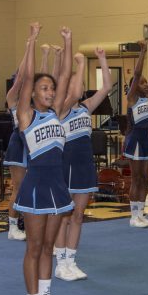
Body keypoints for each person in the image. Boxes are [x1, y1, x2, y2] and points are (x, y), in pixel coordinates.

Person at [14, 22, 74, 295]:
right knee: (34, 248)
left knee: (49, 248)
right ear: (34, 94)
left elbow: (66, 77)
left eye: (51, 89)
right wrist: (33, 41)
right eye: (44, 88)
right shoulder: (27, 115)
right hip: (36, 186)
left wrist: (68, 40)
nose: (50, 92)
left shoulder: (58, 113)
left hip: (57, 187)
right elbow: (25, 79)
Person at [53, 47, 113, 281]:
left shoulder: (86, 107)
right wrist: (79, 63)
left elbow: (107, 87)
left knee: (78, 215)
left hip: (84, 164)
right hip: (65, 165)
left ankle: (71, 260)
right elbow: (76, 91)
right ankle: (60, 262)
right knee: (64, 216)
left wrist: (102, 58)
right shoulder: (61, 109)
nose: (75, 89)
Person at [123, 41, 148, 228]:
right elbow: (137, 73)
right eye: (142, 83)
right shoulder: (132, 98)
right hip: (134, 139)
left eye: (146, 83)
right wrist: (143, 52)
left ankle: (141, 212)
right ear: (134, 86)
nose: (145, 85)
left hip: (147, 139)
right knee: (136, 177)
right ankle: (133, 216)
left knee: (145, 178)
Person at [3, 43, 32, 241]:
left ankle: (30, 223)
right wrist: (29, 46)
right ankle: (13, 227)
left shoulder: (35, 100)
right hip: (18, 145)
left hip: (34, 145)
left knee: (32, 187)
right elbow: (23, 75)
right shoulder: (12, 98)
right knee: (19, 187)